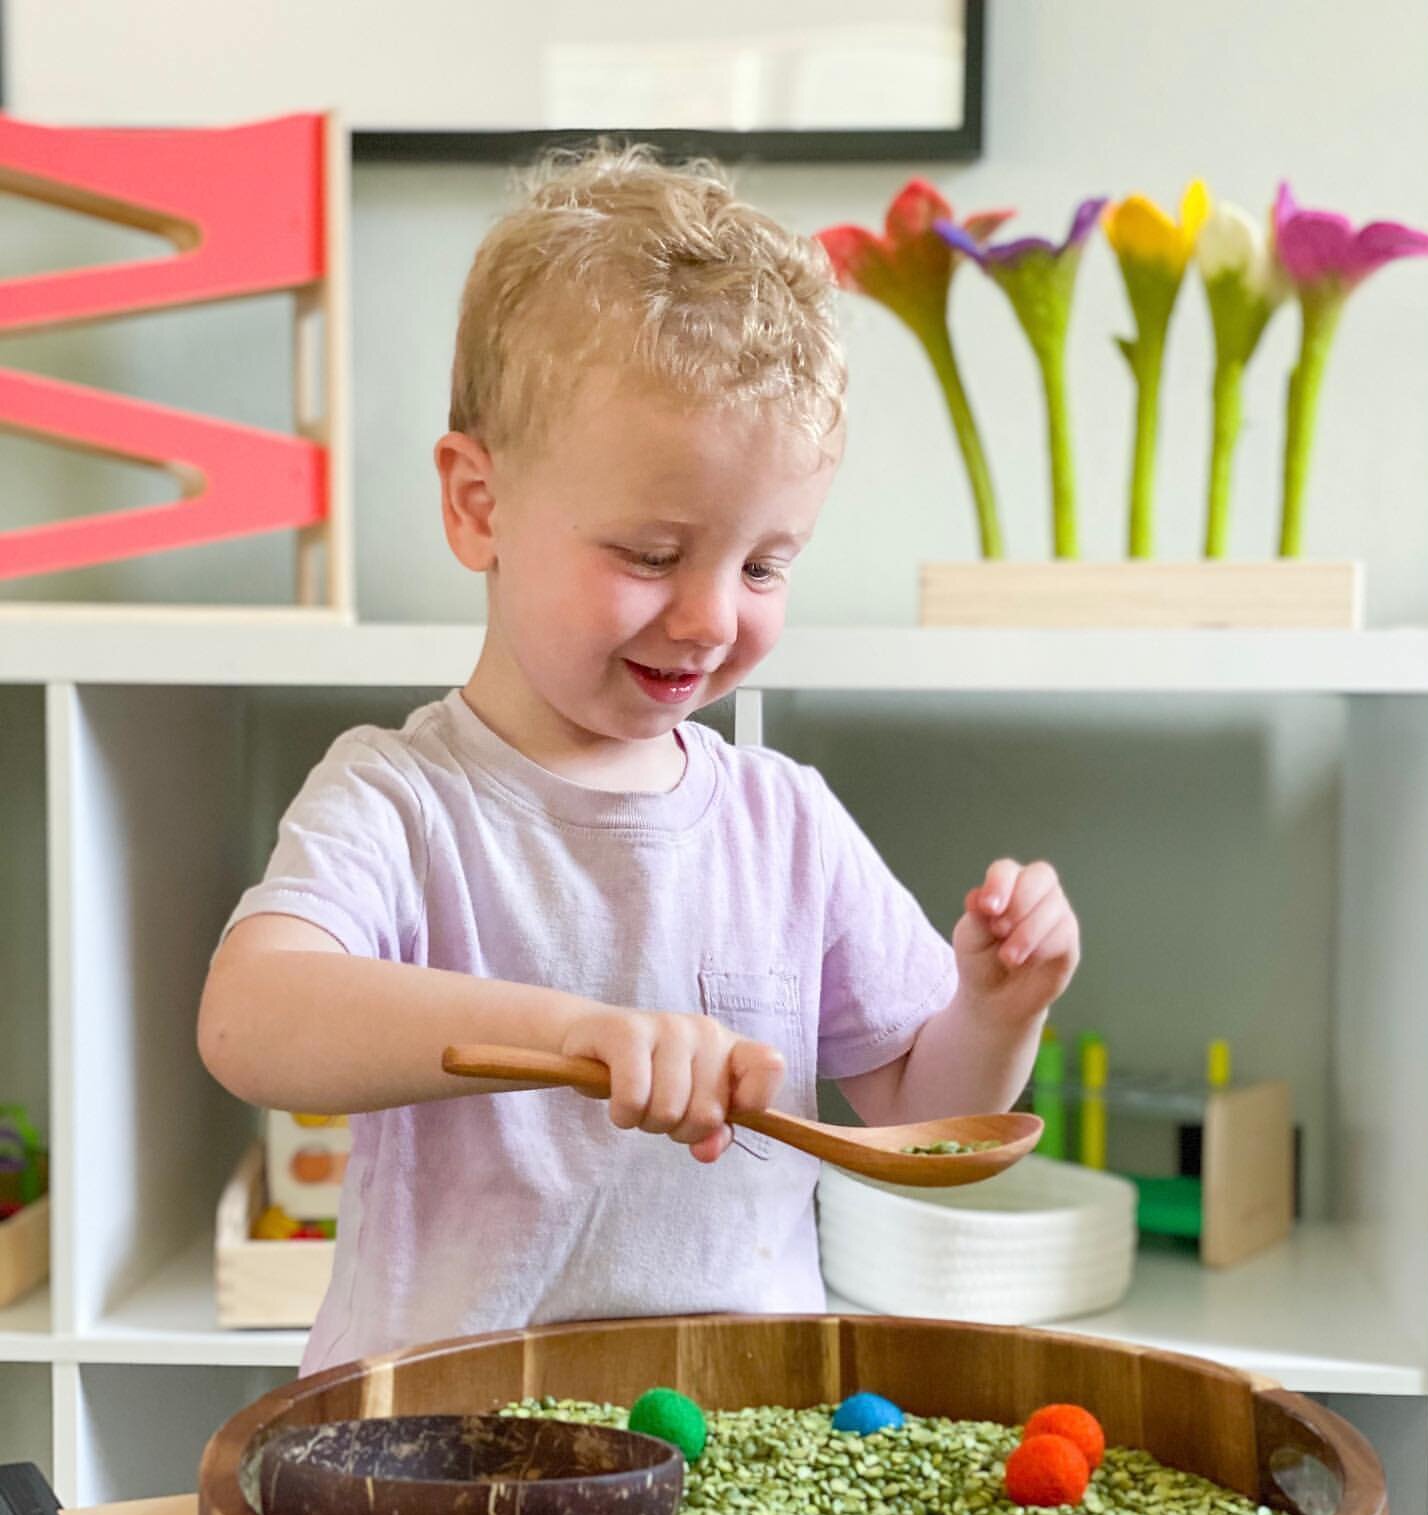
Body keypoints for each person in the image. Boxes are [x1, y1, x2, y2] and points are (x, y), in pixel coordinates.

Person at [197, 143, 1080, 1375]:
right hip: (439, 1453)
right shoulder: (400, 802)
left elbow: (925, 1125)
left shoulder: (789, 824)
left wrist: (996, 1007)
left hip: (739, 1449)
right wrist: (578, 1033)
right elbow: (252, 1023)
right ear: (478, 506)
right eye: (654, 555)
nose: (714, 617)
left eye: (766, 565)